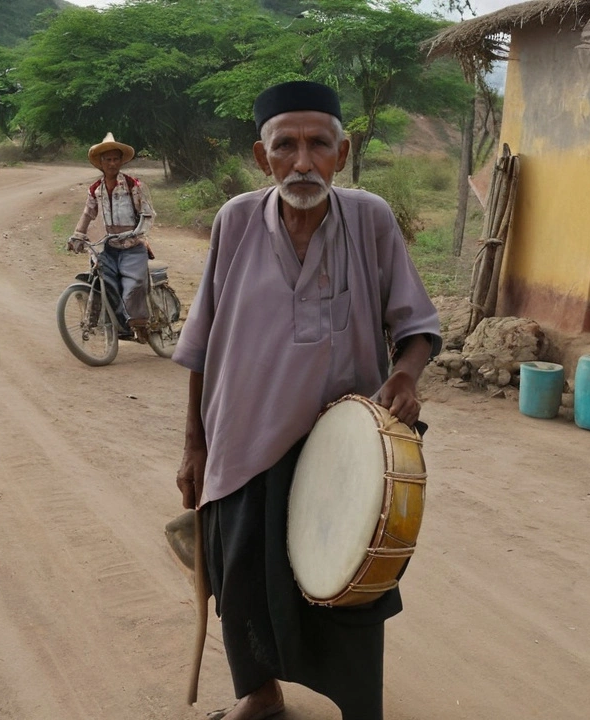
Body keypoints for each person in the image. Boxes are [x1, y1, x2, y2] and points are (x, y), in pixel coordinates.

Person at [172, 80, 441, 720]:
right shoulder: (235, 220)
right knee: (241, 577)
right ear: (262, 157)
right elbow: (203, 342)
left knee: (348, 583)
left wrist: (406, 374)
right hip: (242, 439)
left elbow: (418, 329)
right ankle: (260, 697)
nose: (302, 162)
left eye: (318, 144)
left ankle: (355, 704)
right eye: (284, 146)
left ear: (341, 152)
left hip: (338, 444)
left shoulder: (371, 219)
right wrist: (194, 443)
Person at [69, 132, 155, 340]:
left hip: (132, 245)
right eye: (108, 159)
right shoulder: (95, 190)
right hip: (109, 247)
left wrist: (137, 231)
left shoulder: (134, 185)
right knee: (106, 286)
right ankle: (118, 325)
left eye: (116, 159)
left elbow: (148, 213)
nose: (112, 163)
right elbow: (88, 213)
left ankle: (140, 324)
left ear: (121, 161)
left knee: (132, 286)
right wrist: (77, 236)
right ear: (100, 163)